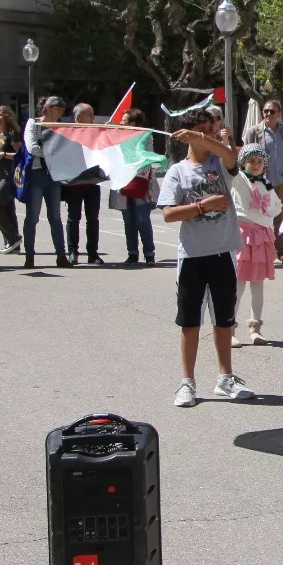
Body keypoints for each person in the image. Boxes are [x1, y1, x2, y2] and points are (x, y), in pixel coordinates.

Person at [159, 108, 254, 407]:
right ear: (186, 136)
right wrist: (203, 206)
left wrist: (203, 137)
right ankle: (187, 383)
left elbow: (230, 156)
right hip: (192, 256)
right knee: (190, 322)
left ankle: (226, 378)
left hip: (222, 253)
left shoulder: (221, 163)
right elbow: (169, 214)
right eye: (202, 131)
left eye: (210, 130)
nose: (209, 135)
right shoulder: (177, 171)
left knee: (225, 320)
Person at [229, 142, 280, 347]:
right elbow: (230, 162)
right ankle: (230, 328)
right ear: (243, 163)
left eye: (260, 161)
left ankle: (255, 328)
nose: (256, 165)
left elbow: (277, 205)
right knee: (238, 284)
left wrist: (267, 209)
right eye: (251, 161)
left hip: (262, 236)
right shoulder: (239, 180)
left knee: (257, 284)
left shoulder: (266, 183)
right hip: (244, 235)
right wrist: (227, 142)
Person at [241, 100, 283, 266]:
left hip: (280, 180)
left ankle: (280, 252)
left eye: (272, 111)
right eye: (266, 111)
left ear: (279, 114)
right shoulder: (253, 131)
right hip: (260, 181)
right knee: (258, 215)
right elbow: (245, 155)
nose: (268, 114)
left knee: (279, 216)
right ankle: (260, 251)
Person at [22, 96, 70, 269]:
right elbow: (32, 147)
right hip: (37, 174)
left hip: (54, 176)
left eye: (62, 109)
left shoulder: (61, 127)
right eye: (57, 108)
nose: (60, 112)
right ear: (48, 108)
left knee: (55, 217)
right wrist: (52, 154)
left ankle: (61, 256)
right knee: (32, 216)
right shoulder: (33, 124)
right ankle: (29, 256)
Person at [110, 108, 159, 266]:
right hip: (123, 183)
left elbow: (147, 155)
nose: (121, 123)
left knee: (142, 219)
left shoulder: (145, 136)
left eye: (124, 121)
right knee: (128, 220)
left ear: (133, 123)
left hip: (141, 182)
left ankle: (149, 254)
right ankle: (132, 253)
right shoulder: (117, 137)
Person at [61, 103, 106, 265]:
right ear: (78, 117)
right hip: (74, 183)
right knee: (74, 218)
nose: (93, 118)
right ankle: (73, 252)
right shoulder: (67, 133)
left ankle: (93, 253)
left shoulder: (96, 132)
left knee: (93, 219)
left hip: (93, 182)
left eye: (93, 114)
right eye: (90, 115)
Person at [0, 106, 23, 254]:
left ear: (8, 117)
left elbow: (20, 155)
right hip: (1, 176)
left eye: (1, 115)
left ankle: (13, 237)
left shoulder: (12, 133)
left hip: (9, 176)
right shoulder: (0, 134)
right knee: (8, 209)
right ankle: (12, 244)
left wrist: (1, 155)